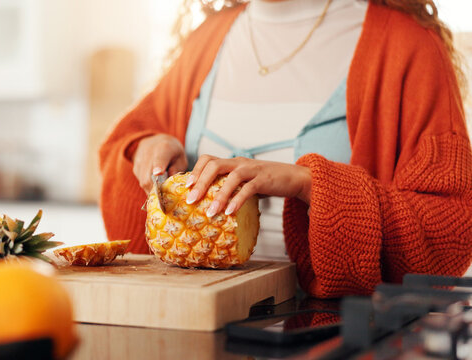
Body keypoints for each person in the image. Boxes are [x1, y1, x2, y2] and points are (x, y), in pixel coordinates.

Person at [99, 0, 472, 298]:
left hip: (335, 337)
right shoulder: (208, 38)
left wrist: (309, 185)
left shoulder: (409, 46)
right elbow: (127, 144)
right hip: (198, 324)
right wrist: (147, 145)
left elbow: (451, 231)